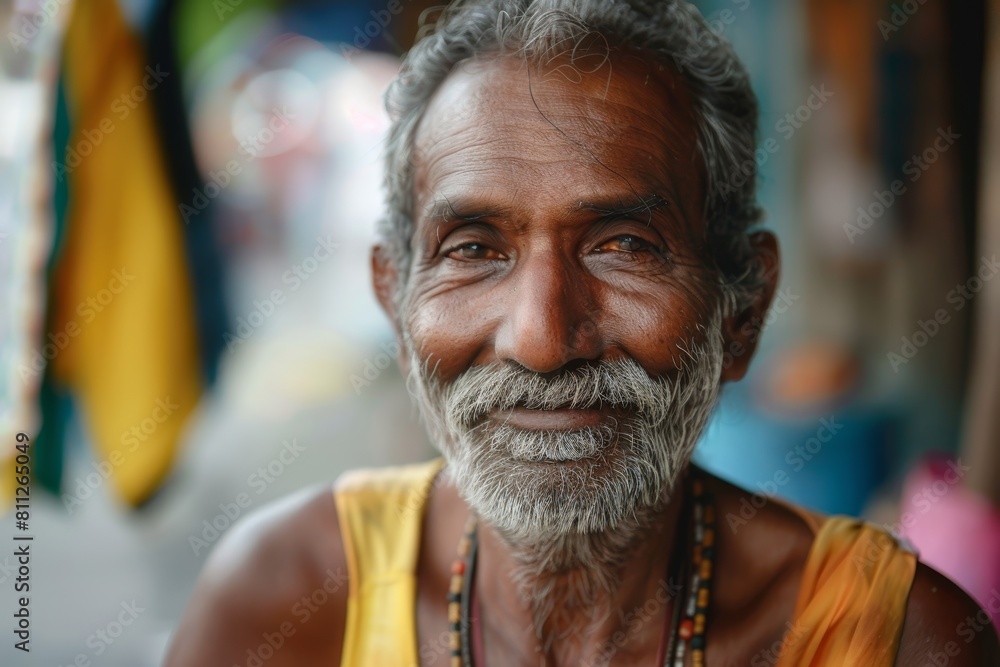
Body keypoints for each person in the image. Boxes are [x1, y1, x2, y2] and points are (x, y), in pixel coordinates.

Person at [164, 1, 1000, 665]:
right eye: (474, 249)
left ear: (742, 308)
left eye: (624, 247)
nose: (541, 337)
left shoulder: (894, 641)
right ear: (395, 297)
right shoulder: (281, 606)